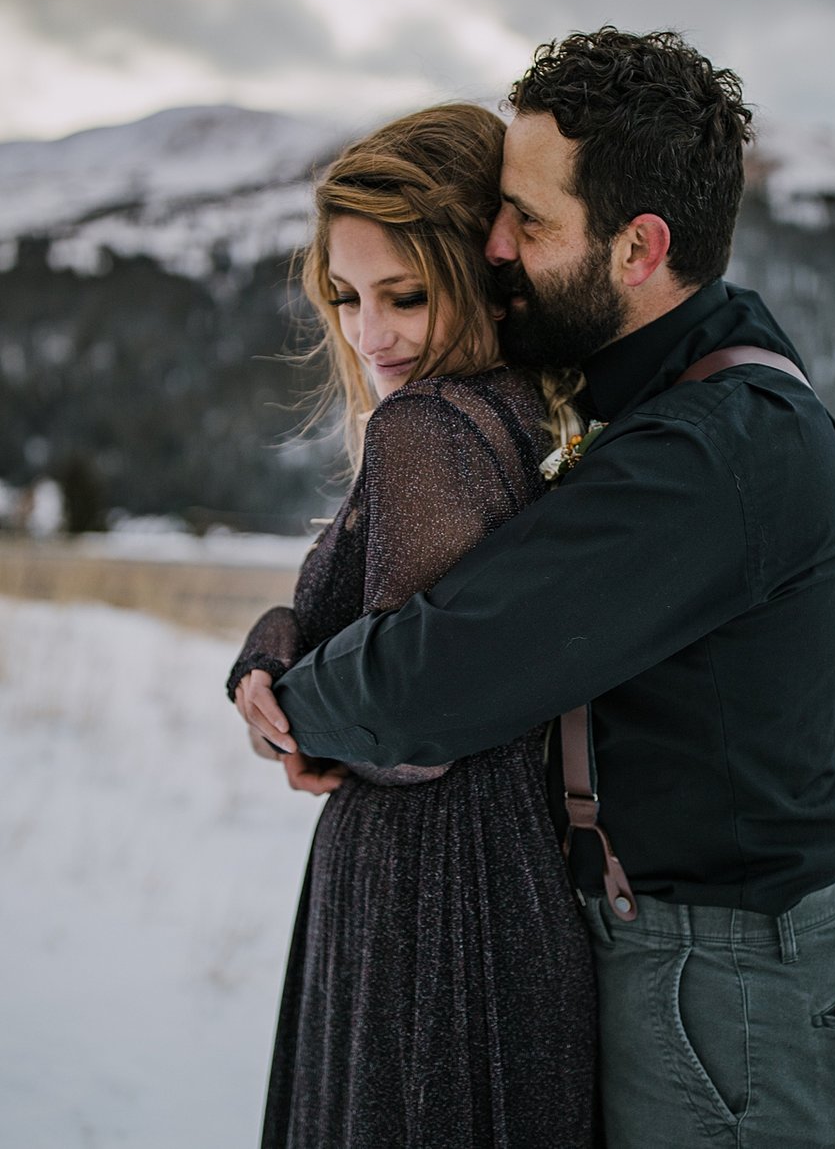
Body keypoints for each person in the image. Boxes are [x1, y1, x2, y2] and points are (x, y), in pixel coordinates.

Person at [246, 28, 835, 1149]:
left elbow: (432, 680)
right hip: (680, 951)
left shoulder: (713, 449)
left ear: (638, 247)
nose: (492, 245)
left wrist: (292, 702)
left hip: (729, 981)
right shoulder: (652, 371)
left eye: (529, 223)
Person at [227, 103, 596, 1149]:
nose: (368, 334)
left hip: (422, 900)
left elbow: (409, 718)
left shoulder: (427, 427)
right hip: (509, 885)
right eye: (345, 297)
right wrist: (273, 654)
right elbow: (386, 642)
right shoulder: (534, 413)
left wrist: (290, 715)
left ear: (479, 275)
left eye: (405, 296)